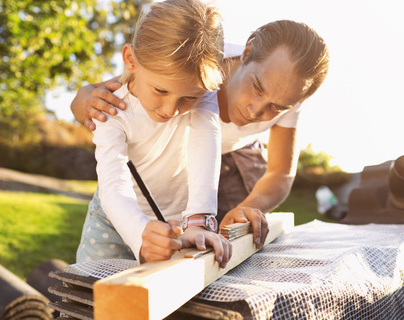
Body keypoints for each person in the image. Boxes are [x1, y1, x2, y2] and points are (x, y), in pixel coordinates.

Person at [72, 20, 329, 248]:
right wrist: (86, 100)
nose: (255, 111)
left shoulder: (292, 93)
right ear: (247, 52)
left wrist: (246, 208)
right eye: (256, 87)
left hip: (237, 154)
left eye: (278, 107)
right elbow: (136, 82)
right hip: (177, 152)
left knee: (230, 238)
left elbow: (281, 172)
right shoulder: (200, 60)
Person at [76, 0, 232, 268]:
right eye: (160, 90)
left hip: (175, 224)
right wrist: (139, 233)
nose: (171, 109)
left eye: (189, 97)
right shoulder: (111, 107)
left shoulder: (203, 94)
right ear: (131, 60)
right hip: (112, 221)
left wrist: (199, 221)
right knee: (92, 300)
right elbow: (113, 184)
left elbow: (205, 146)